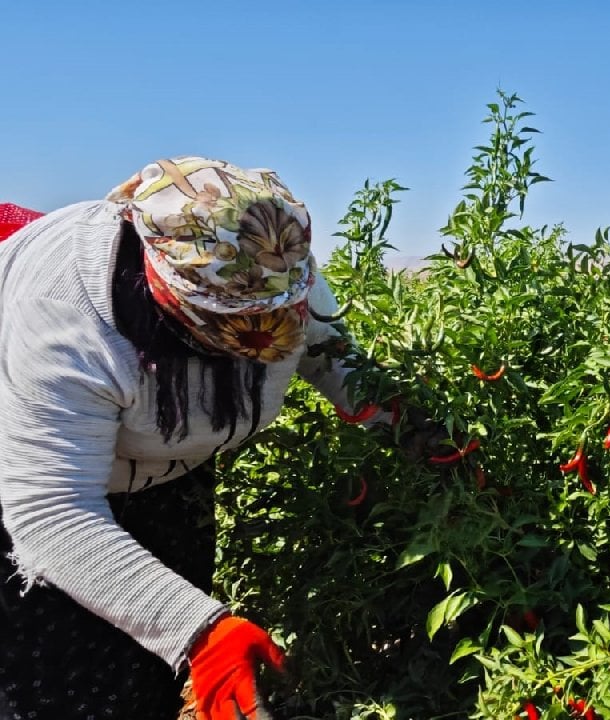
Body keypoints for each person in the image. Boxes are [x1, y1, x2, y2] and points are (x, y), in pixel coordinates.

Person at [0, 157, 439, 720]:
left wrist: (415, 429)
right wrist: (197, 628)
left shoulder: (269, 261)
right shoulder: (68, 316)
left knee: (148, 679)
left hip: (165, 475)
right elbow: (52, 512)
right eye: (239, 325)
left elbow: (334, 360)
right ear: (162, 286)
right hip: (35, 493)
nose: (267, 335)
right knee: (58, 685)